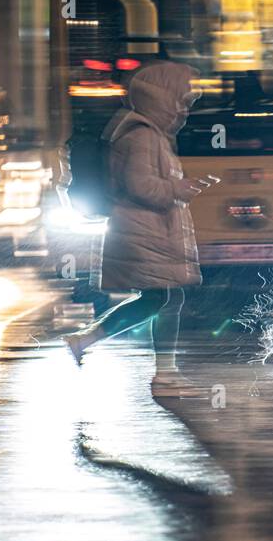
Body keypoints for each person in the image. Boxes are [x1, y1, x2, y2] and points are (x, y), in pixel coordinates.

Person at [62, 61, 205, 396]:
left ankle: (89, 341)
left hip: (146, 227)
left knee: (161, 298)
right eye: (181, 101)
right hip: (142, 228)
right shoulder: (142, 135)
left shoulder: (145, 131)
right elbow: (140, 186)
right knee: (165, 297)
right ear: (162, 99)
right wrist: (179, 190)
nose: (183, 110)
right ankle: (163, 374)